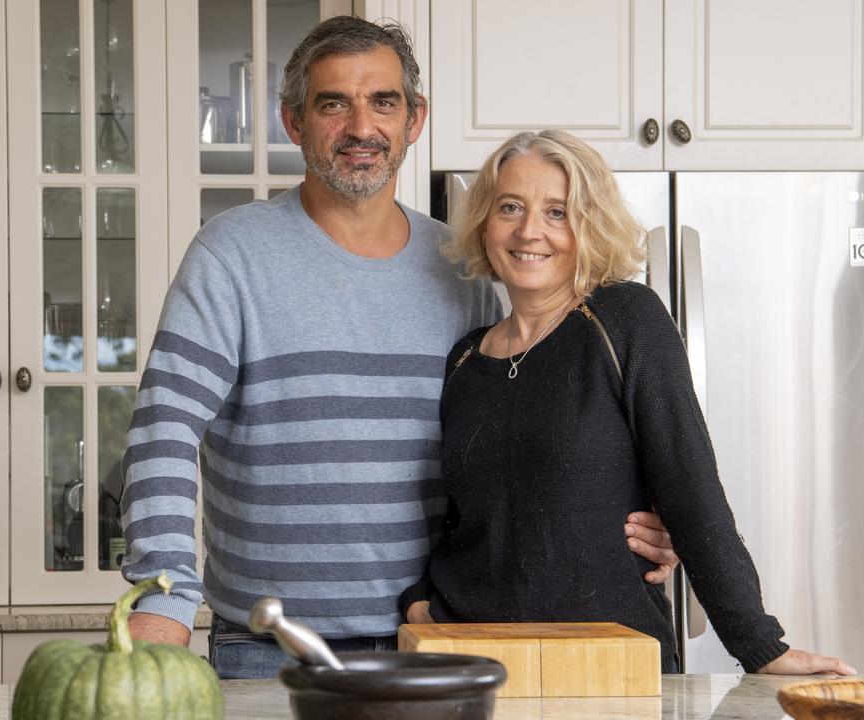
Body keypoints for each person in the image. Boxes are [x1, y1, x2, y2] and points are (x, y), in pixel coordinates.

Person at [120, 16, 677, 679]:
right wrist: (164, 597)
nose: (361, 127)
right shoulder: (230, 256)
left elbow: (520, 454)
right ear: (294, 122)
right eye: (334, 104)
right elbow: (165, 433)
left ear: (415, 120)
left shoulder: (463, 268)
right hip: (270, 650)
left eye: (383, 102)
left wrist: (624, 521)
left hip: (440, 640)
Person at [398, 128, 855, 676]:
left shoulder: (623, 319)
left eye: (557, 212)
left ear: (588, 225)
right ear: (484, 223)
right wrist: (422, 599)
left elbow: (689, 485)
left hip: (614, 664)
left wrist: (759, 644)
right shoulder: (465, 360)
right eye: (510, 207)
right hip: (473, 664)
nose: (529, 231)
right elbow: (459, 517)